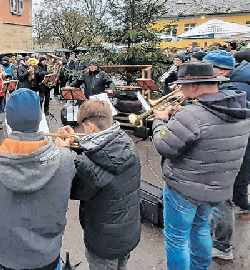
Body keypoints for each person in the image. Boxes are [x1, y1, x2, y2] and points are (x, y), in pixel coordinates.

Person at [152, 61, 250, 270]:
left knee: (177, 238)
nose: (180, 89)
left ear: (194, 86)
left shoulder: (192, 114)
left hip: (185, 187)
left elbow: (164, 146)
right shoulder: (239, 108)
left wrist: (159, 121)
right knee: (201, 228)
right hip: (216, 185)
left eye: (182, 85)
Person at [0, 89, 75, 270]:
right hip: (48, 256)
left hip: (6, 256)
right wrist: (63, 150)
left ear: (8, 120)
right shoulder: (65, 158)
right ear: (39, 118)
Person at [55, 100, 141, 270]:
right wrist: (77, 144)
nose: (83, 131)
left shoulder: (90, 167)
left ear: (91, 127)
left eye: (84, 127)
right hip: (128, 231)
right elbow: (101, 155)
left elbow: (72, 188)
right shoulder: (126, 142)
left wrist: (64, 153)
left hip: (103, 241)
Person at [203, 50, 250, 259]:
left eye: (207, 69)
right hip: (235, 146)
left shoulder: (236, 89)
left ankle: (222, 246)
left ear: (221, 70)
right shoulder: (237, 83)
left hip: (231, 148)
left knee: (222, 198)